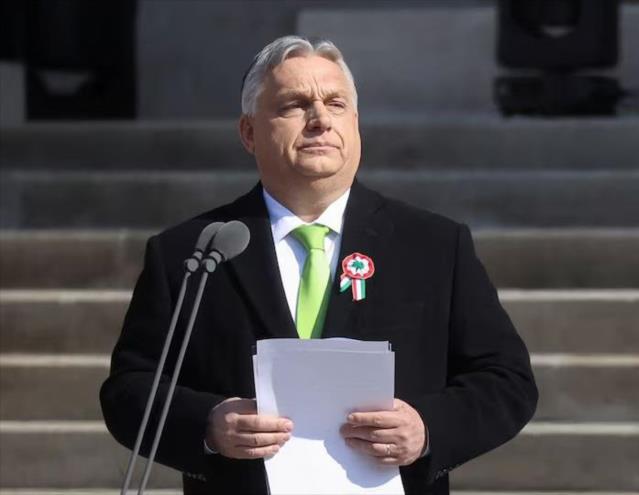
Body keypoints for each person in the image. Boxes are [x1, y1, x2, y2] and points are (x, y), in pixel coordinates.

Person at [100, 35, 538, 494]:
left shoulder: (434, 246)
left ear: (356, 125)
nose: (320, 120)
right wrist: (208, 424)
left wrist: (427, 428)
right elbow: (129, 390)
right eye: (294, 105)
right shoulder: (193, 253)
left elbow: (507, 380)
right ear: (249, 133)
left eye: (336, 104)